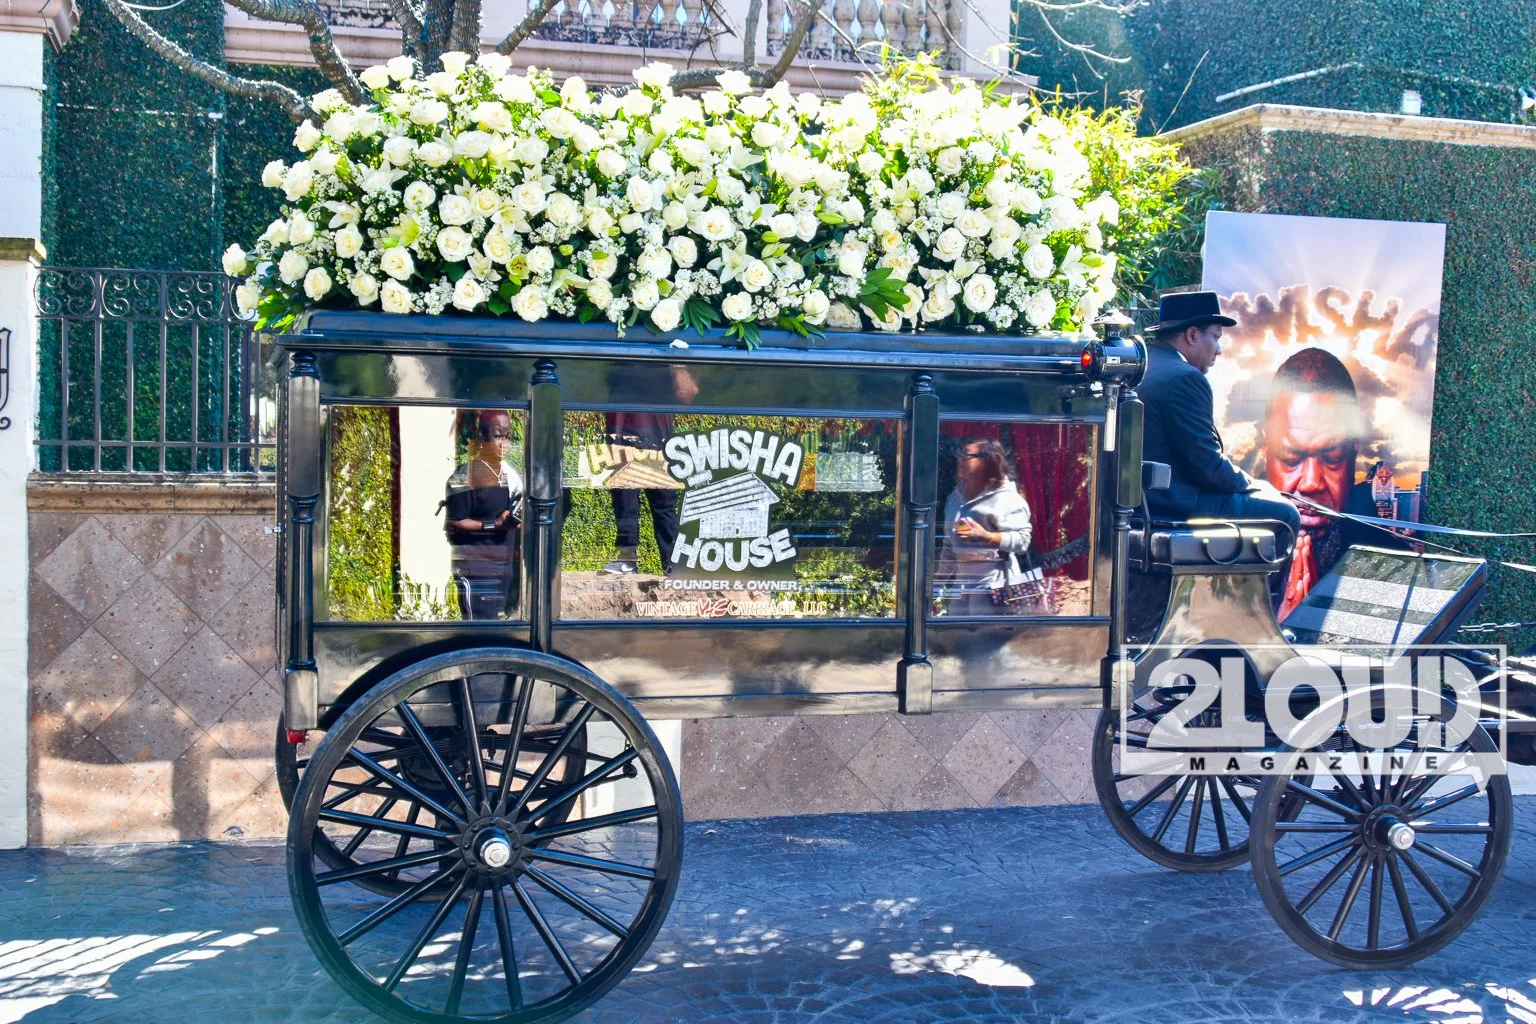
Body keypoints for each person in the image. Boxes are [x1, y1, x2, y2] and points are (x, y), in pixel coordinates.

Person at [1140, 291, 1301, 605]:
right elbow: (1208, 467)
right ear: (1191, 335)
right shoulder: (1185, 377)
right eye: (1215, 337)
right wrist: (1255, 485)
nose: (1219, 349)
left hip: (1143, 503)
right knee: (1285, 515)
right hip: (1173, 505)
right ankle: (1263, 615)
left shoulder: (1146, 365)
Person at [1260, 349, 1405, 616]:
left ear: (1353, 450)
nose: (1311, 483)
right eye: (1292, 460)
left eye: (1332, 458)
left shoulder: (1391, 562)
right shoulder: (1224, 546)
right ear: (1265, 447)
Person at [937, 438, 1034, 615]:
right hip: (962, 584)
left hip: (994, 584)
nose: (960, 460)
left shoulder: (1006, 498)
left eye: (966, 455)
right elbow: (950, 545)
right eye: (959, 455)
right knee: (956, 631)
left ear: (986, 461)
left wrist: (986, 536)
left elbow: (1022, 541)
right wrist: (938, 584)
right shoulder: (956, 496)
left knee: (987, 632)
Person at [443, 410, 524, 619]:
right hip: (476, 570)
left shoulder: (510, 475)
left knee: (498, 628)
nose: (504, 443)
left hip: (504, 567)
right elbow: (453, 523)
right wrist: (493, 524)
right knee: (478, 628)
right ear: (482, 439)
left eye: (508, 436)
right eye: (498, 436)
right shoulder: (465, 477)